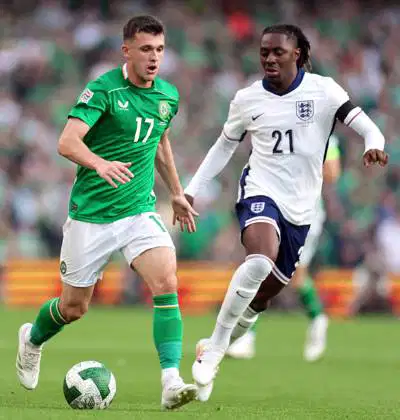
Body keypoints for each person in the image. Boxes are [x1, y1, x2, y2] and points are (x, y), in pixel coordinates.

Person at [180, 24, 388, 402]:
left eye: (278, 51)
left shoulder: (324, 91)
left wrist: (373, 143)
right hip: (260, 190)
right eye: (264, 52)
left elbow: (367, 126)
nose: (270, 58)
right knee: (259, 260)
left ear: (298, 55)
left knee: (260, 299)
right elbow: (223, 148)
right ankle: (212, 353)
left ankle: (216, 343)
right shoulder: (246, 99)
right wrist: (191, 190)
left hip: (302, 209)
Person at [16, 15, 198, 410]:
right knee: (73, 308)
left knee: (166, 280)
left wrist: (178, 193)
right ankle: (32, 339)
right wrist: (98, 163)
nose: (154, 58)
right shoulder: (103, 90)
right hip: (92, 216)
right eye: (146, 49)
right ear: (127, 50)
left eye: (160, 50)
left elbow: (160, 142)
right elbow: (67, 142)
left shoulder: (167, 95)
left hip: (138, 211)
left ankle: (170, 381)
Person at [226, 135, 341, 362]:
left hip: (304, 213)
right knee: (262, 265)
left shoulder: (323, 132)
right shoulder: (277, 120)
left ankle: (317, 317)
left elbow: (332, 173)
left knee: (296, 278)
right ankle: (246, 337)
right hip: (274, 205)